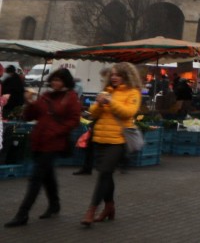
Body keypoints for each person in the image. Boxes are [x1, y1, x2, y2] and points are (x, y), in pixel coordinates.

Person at [6, 67, 81, 226]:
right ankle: (54, 204)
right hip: (39, 140)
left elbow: (74, 120)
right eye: (54, 79)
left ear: (65, 82)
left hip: (54, 143)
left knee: (36, 178)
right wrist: (30, 103)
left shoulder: (71, 97)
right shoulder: (46, 96)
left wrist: (56, 131)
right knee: (47, 175)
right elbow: (30, 116)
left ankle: (23, 213)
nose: (55, 82)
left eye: (59, 80)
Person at [82, 62, 142, 227]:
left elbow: (128, 112)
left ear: (126, 76)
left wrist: (110, 101)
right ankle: (109, 206)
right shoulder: (107, 91)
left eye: (118, 75)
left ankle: (91, 210)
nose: (114, 77)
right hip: (100, 139)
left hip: (118, 140)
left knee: (104, 173)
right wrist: (100, 103)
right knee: (106, 175)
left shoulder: (133, 92)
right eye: (113, 74)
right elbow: (92, 113)